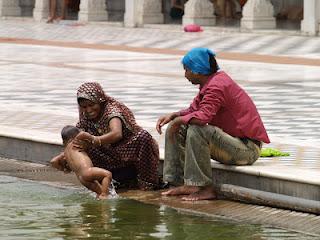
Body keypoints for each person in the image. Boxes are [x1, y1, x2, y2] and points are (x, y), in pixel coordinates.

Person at [156, 47, 269, 201]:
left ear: (198, 70)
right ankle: (177, 182)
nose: (185, 75)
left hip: (247, 150)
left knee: (197, 129)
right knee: (178, 127)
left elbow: (203, 117)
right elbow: (194, 109)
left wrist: (179, 120)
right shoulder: (211, 82)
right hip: (233, 144)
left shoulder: (217, 85)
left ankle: (204, 187)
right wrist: (174, 116)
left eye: (187, 70)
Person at [58, 82, 159, 190]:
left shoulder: (111, 111)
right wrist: (66, 154)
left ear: (100, 101)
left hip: (128, 150)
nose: (88, 110)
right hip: (109, 155)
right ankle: (104, 180)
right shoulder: (85, 116)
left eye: (91, 105)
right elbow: (77, 137)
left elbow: (117, 134)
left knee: (143, 137)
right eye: (84, 107)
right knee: (81, 143)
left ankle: (147, 184)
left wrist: (93, 140)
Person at [50, 125, 112, 200]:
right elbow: (82, 134)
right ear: (74, 137)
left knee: (99, 193)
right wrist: (92, 138)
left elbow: (53, 161)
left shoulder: (65, 152)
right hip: (87, 172)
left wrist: (64, 169)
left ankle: (102, 202)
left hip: (81, 178)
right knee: (107, 175)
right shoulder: (76, 141)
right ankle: (104, 195)